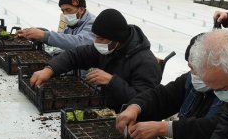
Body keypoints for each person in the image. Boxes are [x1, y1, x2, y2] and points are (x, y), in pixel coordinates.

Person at [116, 34, 228, 139]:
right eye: (191, 67)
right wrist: (135, 107)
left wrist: (164, 128)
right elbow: (162, 96)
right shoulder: (190, 79)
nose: (193, 74)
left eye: (197, 70)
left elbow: (218, 127)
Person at [29, 8, 160, 111]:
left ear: (117, 40)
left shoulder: (145, 62)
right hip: (105, 107)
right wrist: (49, 69)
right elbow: (75, 55)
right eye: (96, 37)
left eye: (101, 39)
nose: (96, 42)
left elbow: (145, 101)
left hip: (129, 121)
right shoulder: (109, 48)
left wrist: (111, 81)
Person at [17, 0, 95, 53]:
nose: (65, 14)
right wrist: (38, 33)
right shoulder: (73, 22)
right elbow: (62, 39)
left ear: (81, 9)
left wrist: (45, 35)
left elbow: (79, 43)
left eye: (68, 10)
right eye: (63, 10)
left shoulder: (93, 23)